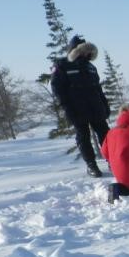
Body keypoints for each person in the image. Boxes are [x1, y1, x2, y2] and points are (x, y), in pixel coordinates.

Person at [51, 35, 111, 178]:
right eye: (82, 50)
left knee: (106, 135)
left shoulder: (91, 67)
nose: (85, 53)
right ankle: (91, 165)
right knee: (83, 137)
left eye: (87, 51)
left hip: (96, 107)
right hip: (77, 109)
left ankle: (113, 160)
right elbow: (57, 89)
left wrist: (105, 106)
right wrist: (67, 108)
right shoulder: (62, 65)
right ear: (74, 51)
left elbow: (98, 88)